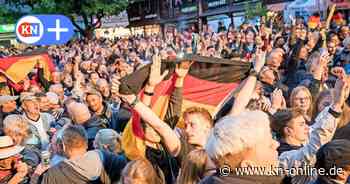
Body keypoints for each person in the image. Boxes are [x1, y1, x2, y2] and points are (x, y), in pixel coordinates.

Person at [34, 125, 127, 184]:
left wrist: (36, 175)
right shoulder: (106, 157)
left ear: (63, 146)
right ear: (86, 143)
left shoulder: (54, 174)